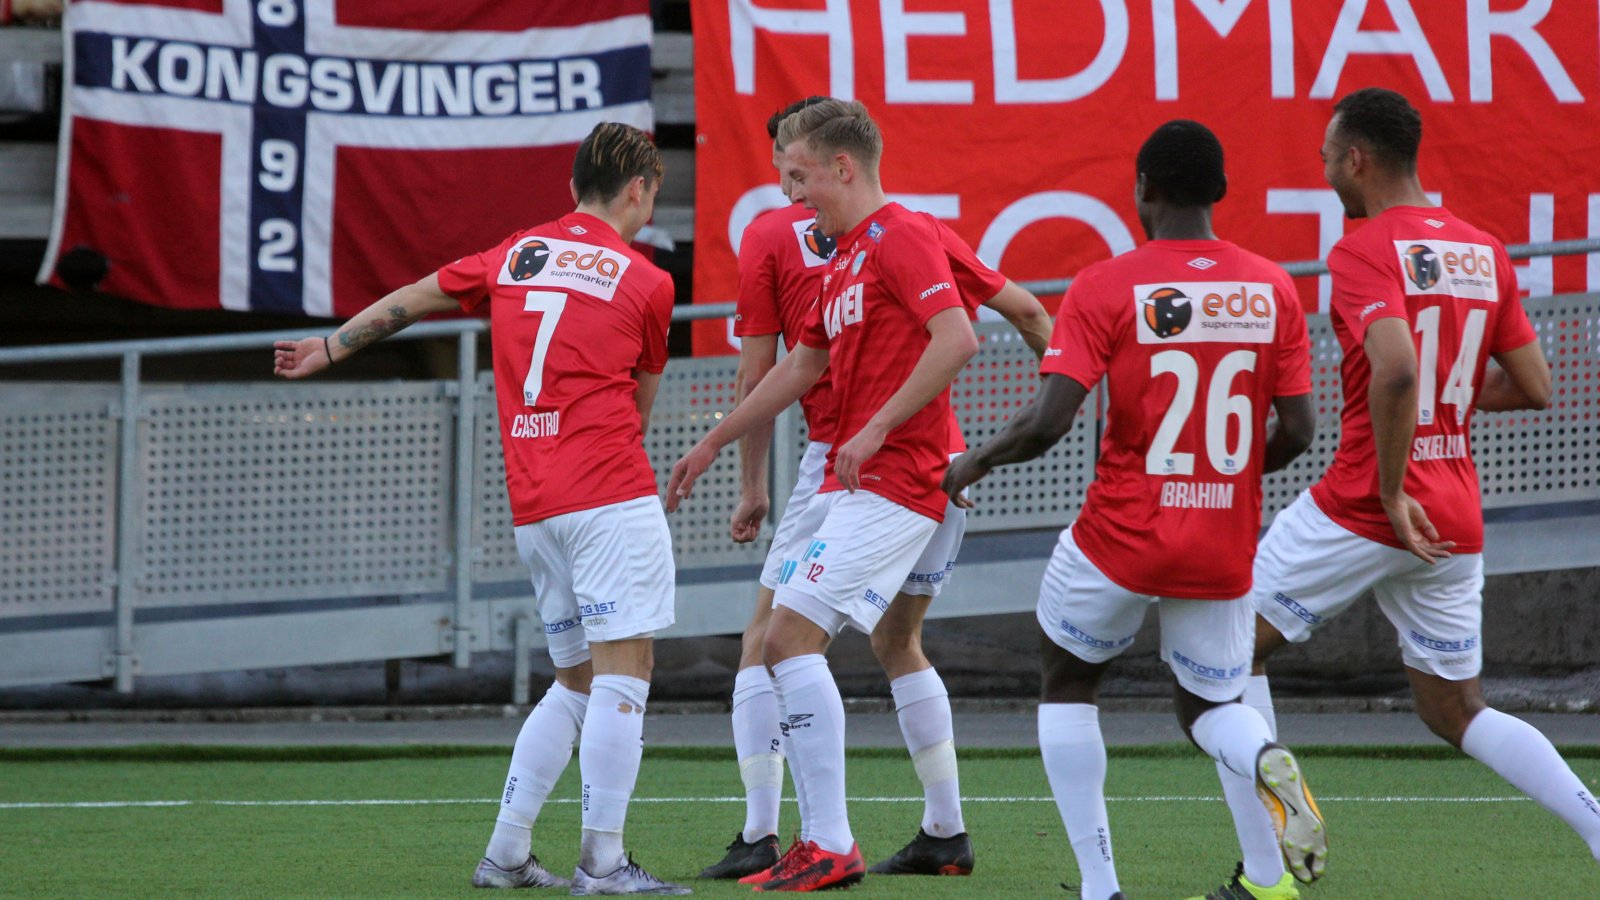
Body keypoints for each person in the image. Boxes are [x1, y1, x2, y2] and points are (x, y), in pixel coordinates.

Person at [273, 122, 691, 896]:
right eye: (652, 194)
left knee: (573, 682)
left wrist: (330, 348)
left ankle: (506, 854)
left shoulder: (516, 254)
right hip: (608, 494)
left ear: (573, 188)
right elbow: (639, 402)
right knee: (625, 674)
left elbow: (415, 297)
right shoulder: (647, 281)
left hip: (536, 504)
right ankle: (602, 862)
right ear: (638, 190)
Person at [944, 120, 1326, 900]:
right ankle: (1261, 758)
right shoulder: (1273, 288)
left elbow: (1048, 423)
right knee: (1212, 706)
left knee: (1067, 680)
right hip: (1220, 544)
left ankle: (1100, 887)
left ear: (1143, 188)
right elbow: (1299, 430)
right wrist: (1226, 483)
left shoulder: (1105, 285)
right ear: (1221, 191)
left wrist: (971, 462)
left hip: (1118, 537)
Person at [701, 96, 1051, 882]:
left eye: (794, 172)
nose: (787, 191)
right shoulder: (858, 249)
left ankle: (787, 835)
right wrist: (713, 442)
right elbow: (1028, 313)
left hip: (872, 466)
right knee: (894, 642)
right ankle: (943, 831)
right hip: (920, 464)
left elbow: (951, 339)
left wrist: (775, 469)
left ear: (837, 164)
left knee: (775, 640)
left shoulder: (878, 234)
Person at [1247, 87, 1600, 865]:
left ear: (1356, 159)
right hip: (1454, 511)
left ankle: (1271, 852)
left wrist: (1390, 490)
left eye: (1326, 157)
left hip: (1369, 501)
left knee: (1223, 653)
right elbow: (1535, 385)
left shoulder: (1363, 249)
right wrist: (1444, 396)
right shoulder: (1483, 250)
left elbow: (1400, 369)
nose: (1323, 171)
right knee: (1456, 709)